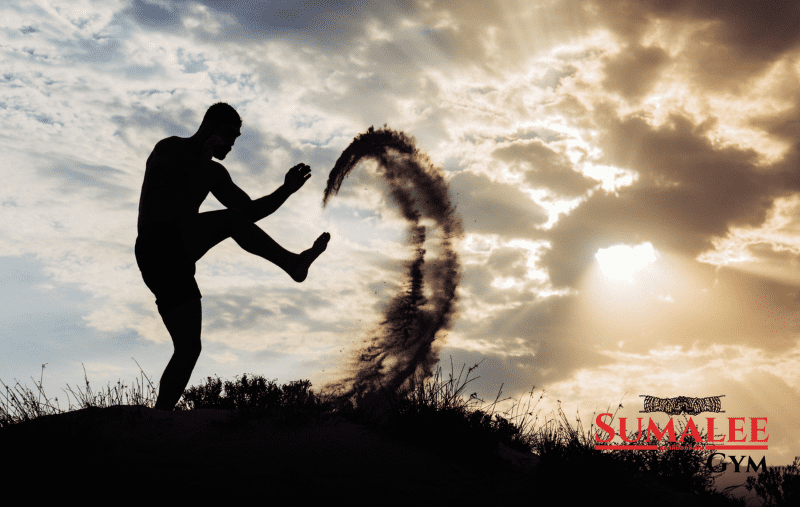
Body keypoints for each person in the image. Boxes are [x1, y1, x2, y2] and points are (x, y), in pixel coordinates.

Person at [135, 102, 330, 411]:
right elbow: (174, 182)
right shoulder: (170, 148)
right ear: (209, 126)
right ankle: (293, 263)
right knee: (229, 220)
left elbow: (248, 213)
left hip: (180, 262)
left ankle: (159, 419)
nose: (231, 143)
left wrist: (286, 190)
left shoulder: (214, 172)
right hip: (157, 245)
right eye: (228, 134)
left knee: (189, 348)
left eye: (236, 137)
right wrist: (202, 151)